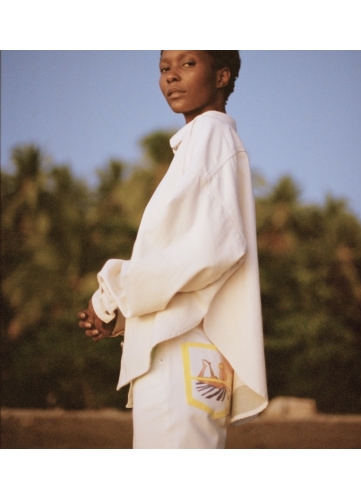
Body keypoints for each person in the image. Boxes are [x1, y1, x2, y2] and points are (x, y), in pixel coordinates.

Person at [78, 50, 268, 448]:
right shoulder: (210, 140)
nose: (172, 76)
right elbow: (193, 255)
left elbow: (209, 249)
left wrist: (111, 296)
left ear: (221, 76)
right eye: (165, 68)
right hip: (194, 354)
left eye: (188, 64)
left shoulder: (209, 133)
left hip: (178, 353)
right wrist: (122, 314)